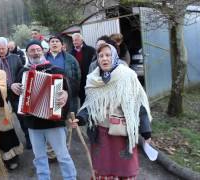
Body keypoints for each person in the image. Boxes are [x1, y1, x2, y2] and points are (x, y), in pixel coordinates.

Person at [71, 43, 152, 179]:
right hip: (101, 134)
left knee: (124, 167)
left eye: (108, 55)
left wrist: (146, 130)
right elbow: (90, 105)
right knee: (103, 167)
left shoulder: (127, 76)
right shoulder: (93, 79)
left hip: (123, 133)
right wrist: (81, 118)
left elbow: (139, 104)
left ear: (114, 56)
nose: (104, 59)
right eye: (101, 56)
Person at [13, 40, 77, 180]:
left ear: (43, 51)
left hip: (54, 123)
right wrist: (13, 88)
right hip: (33, 124)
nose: (35, 52)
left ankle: (70, 178)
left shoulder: (56, 70)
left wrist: (66, 95)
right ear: (27, 53)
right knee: (39, 157)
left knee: (63, 155)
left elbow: (69, 90)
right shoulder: (23, 73)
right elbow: (15, 97)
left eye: (38, 49)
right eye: (32, 50)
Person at [0, 37, 31, 149]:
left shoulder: (15, 58)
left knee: (22, 117)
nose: (1, 51)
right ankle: (10, 143)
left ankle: (28, 138)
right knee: (4, 119)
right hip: (1, 94)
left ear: (7, 47)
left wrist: (17, 84)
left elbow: (21, 73)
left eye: (3, 48)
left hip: (15, 93)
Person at [45, 35, 81, 113]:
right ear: (49, 44)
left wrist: (72, 92)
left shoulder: (71, 59)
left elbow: (77, 78)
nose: (54, 43)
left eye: (57, 41)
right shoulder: (43, 58)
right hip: (47, 95)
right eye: (52, 41)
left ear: (62, 45)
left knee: (69, 121)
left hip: (67, 94)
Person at [70, 33, 96, 105]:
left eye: (76, 40)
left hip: (89, 77)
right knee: (81, 97)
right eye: (73, 40)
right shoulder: (71, 52)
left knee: (90, 95)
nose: (75, 42)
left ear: (82, 40)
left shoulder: (91, 50)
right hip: (77, 78)